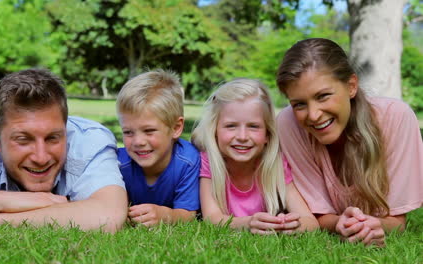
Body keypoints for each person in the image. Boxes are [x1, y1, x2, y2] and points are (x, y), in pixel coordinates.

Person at [276, 38, 423, 246]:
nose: (314, 115)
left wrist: (375, 225)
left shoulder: (396, 118)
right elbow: (316, 213)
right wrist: (339, 223)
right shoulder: (288, 123)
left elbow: (397, 221)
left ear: (351, 86)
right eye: (299, 104)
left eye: (323, 96)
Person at [0, 68, 128, 232]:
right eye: (23, 140)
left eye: (53, 138)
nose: (41, 158)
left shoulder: (89, 142)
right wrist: (3, 200)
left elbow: (108, 216)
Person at [191, 78, 318, 234]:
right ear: (215, 131)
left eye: (253, 126)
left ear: (267, 135)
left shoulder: (275, 165)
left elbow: (311, 221)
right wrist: (247, 223)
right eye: (231, 126)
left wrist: (292, 225)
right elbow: (212, 218)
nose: (243, 136)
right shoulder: (209, 161)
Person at [116, 69, 200, 227]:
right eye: (128, 132)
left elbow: (188, 214)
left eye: (149, 131)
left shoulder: (188, 161)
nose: (138, 141)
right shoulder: (119, 163)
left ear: (176, 128)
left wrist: (166, 215)